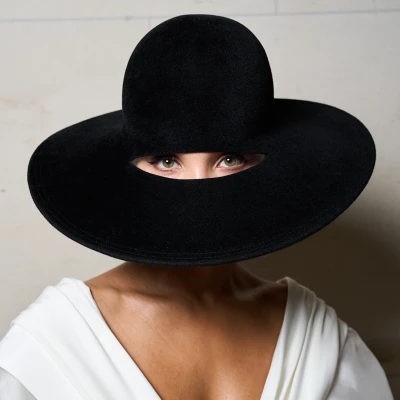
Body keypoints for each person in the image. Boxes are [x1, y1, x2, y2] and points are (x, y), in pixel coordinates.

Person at [0, 14, 395, 400]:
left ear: (264, 165)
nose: (199, 189)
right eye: (167, 161)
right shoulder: (50, 346)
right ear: (130, 170)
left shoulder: (319, 341)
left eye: (229, 159)